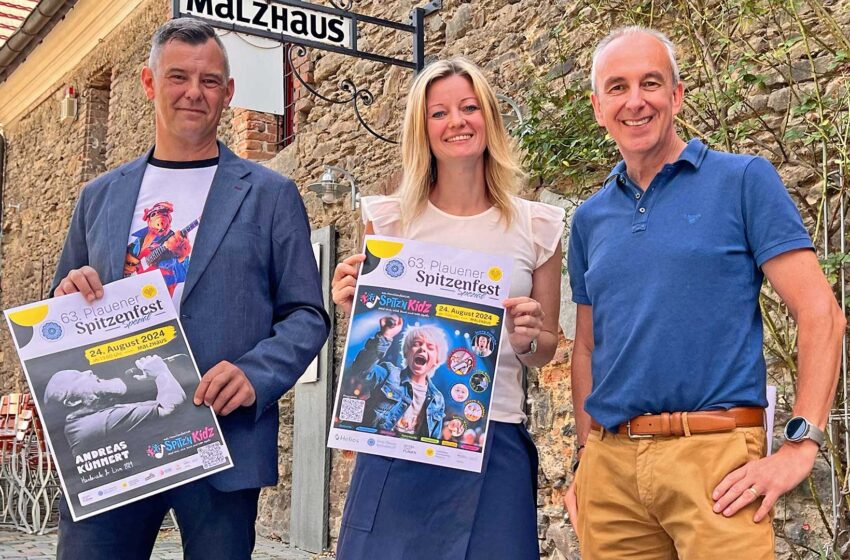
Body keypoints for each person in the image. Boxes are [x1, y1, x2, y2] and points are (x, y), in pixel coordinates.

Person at [50, 18, 329, 560]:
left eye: (210, 80)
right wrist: (68, 291)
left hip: (221, 439)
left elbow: (306, 314)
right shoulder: (99, 197)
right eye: (178, 76)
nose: (194, 92)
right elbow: (61, 303)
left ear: (228, 93)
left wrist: (256, 372)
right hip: (113, 441)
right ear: (149, 83)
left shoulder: (271, 194)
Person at [565, 26, 846, 559]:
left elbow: (821, 314)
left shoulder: (743, 180)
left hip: (716, 460)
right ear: (598, 107)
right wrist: (584, 459)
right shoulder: (589, 219)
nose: (635, 100)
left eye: (651, 83)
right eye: (617, 87)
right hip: (611, 470)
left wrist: (800, 444)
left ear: (676, 95)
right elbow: (586, 347)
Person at [331, 58, 564, 560]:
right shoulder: (388, 220)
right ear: (423, 130)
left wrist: (528, 335)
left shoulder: (537, 227)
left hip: (493, 435)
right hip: (397, 441)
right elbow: (377, 331)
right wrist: (355, 299)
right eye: (439, 113)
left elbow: (545, 349)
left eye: (469, 107)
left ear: (490, 118)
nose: (456, 122)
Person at [44, 356, 185, 454]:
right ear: (72, 401)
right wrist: (161, 373)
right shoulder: (100, 422)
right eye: (77, 376)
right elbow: (171, 407)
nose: (88, 371)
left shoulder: (84, 422)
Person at [346, 314, 448, 438]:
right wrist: (385, 337)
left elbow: (434, 439)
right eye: (417, 344)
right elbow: (360, 370)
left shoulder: (437, 399)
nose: (422, 348)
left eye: (430, 347)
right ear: (406, 352)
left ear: (437, 360)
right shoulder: (389, 373)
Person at [124, 201, 193, 296]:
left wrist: (178, 256)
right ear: (149, 220)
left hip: (157, 295)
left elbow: (178, 272)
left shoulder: (173, 240)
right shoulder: (139, 240)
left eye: (164, 215)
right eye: (154, 214)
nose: (161, 225)